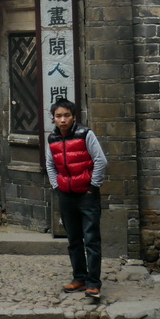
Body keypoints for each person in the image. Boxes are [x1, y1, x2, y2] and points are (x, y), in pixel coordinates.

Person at [44, 99, 108, 300]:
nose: (62, 120)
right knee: (73, 239)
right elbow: (50, 165)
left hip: (86, 195)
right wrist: (57, 186)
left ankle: (94, 283)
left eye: (66, 116)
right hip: (66, 195)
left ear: (73, 117)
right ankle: (79, 277)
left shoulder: (85, 134)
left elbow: (100, 160)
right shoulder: (52, 139)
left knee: (91, 239)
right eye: (58, 116)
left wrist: (92, 187)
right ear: (53, 118)